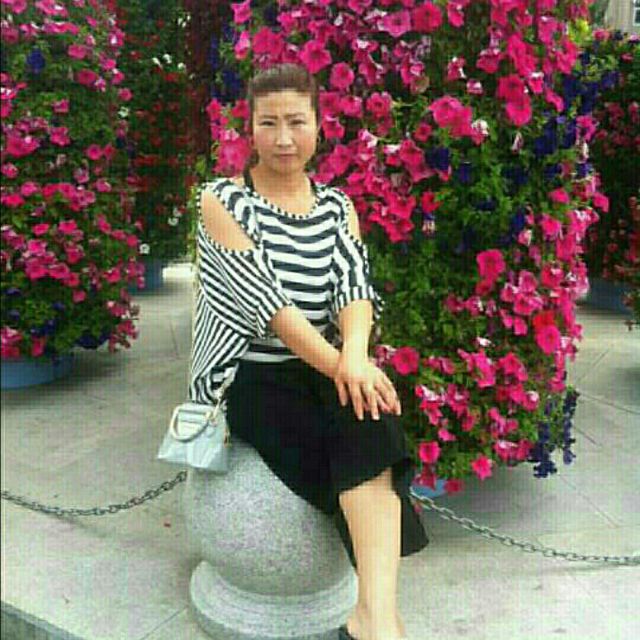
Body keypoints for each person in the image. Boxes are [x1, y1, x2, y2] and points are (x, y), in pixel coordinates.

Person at [194, 63, 428, 640]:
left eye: (296, 122)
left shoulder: (336, 207)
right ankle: (383, 623)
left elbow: (354, 287)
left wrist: (356, 357)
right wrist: (346, 368)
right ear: (249, 128)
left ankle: (374, 616)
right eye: (268, 123)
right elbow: (270, 306)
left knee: (371, 417)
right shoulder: (223, 201)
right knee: (357, 427)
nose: (283, 138)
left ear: (319, 126)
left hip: (323, 366)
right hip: (250, 375)